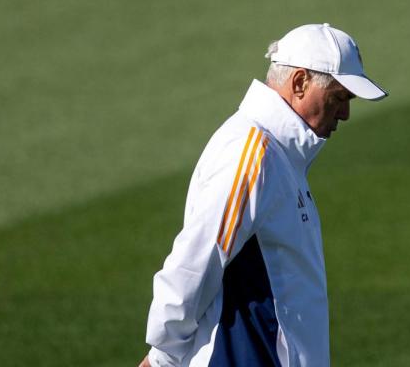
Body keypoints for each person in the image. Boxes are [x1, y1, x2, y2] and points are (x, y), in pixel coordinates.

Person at [139, 23, 387, 367]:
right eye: (339, 97)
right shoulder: (253, 155)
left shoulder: (280, 156)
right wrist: (163, 357)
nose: (345, 113)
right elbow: (195, 262)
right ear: (299, 83)